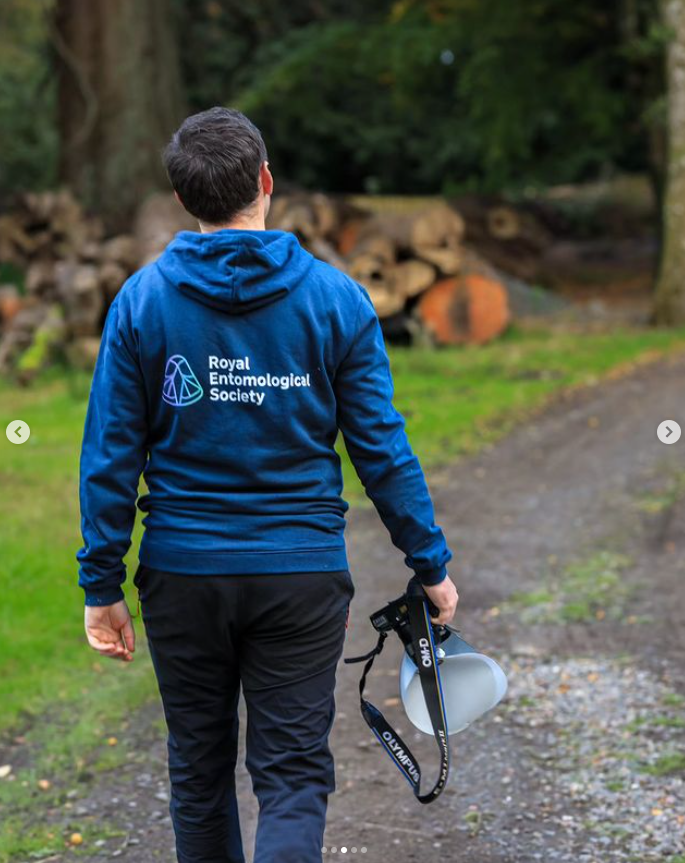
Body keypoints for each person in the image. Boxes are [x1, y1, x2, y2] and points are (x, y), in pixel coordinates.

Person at [77, 107, 457, 863]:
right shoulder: (335, 298)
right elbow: (380, 446)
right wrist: (431, 564)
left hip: (183, 575)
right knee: (290, 776)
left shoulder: (142, 301)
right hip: (300, 575)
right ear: (265, 183)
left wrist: (101, 584)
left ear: (183, 199)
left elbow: (109, 453)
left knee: (200, 769)